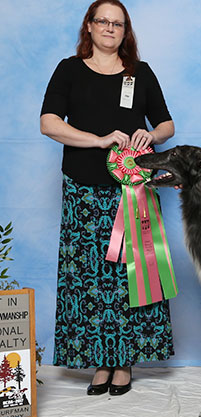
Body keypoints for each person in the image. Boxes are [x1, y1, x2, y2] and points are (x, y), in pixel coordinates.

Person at [40, 0, 175, 396]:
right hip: (82, 190)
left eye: (118, 23)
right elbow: (49, 123)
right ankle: (100, 362)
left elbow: (166, 123)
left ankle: (124, 361)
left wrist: (151, 135)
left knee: (129, 279)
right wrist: (98, 141)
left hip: (132, 191)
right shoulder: (68, 70)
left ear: (125, 30)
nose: (110, 28)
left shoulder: (141, 73)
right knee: (88, 280)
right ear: (90, 26)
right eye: (103, 21)